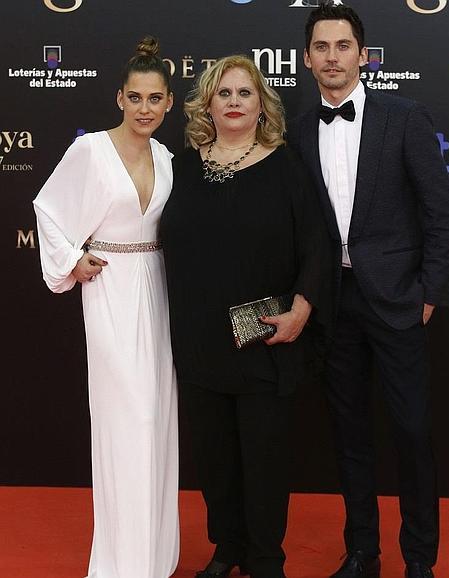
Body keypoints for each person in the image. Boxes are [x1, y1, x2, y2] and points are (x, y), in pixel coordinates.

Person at [287, 3, 449, 578]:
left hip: (397, 299)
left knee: (411, 431)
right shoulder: (296, 128)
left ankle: (419, 560)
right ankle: (362, 552)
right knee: (349, 432)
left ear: (363, 54)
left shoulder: (404, 115)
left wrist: (430, 291)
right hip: (331, 302)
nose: (332, 57)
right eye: (321, 47)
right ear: (306, 58)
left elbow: (440, 211)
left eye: (343, 46)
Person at [160, 55, 331, 578]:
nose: (234, 102)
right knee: (214, 460)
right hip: (198, 341)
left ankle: (264, 559)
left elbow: (318, 244)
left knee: (264, 461)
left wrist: (302, 307)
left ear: (262, 105)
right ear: (207, 104)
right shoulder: (182, 166)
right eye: (224, 93)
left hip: (263, 340)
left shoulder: (286, 165)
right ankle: (226, 549)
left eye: (245, 93)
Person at [33, 36, 179, 578]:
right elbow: (49, 209)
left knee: (157, 421)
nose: (145, 109)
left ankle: (155, 558)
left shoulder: (166, 157)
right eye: (136, 98)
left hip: (158, 288)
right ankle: (122, 564)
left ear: (169, 102)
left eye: (155, 99)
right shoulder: (90, 149)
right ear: (120, 98)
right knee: (127, 422)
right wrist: (73, 259)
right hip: (111, 289)